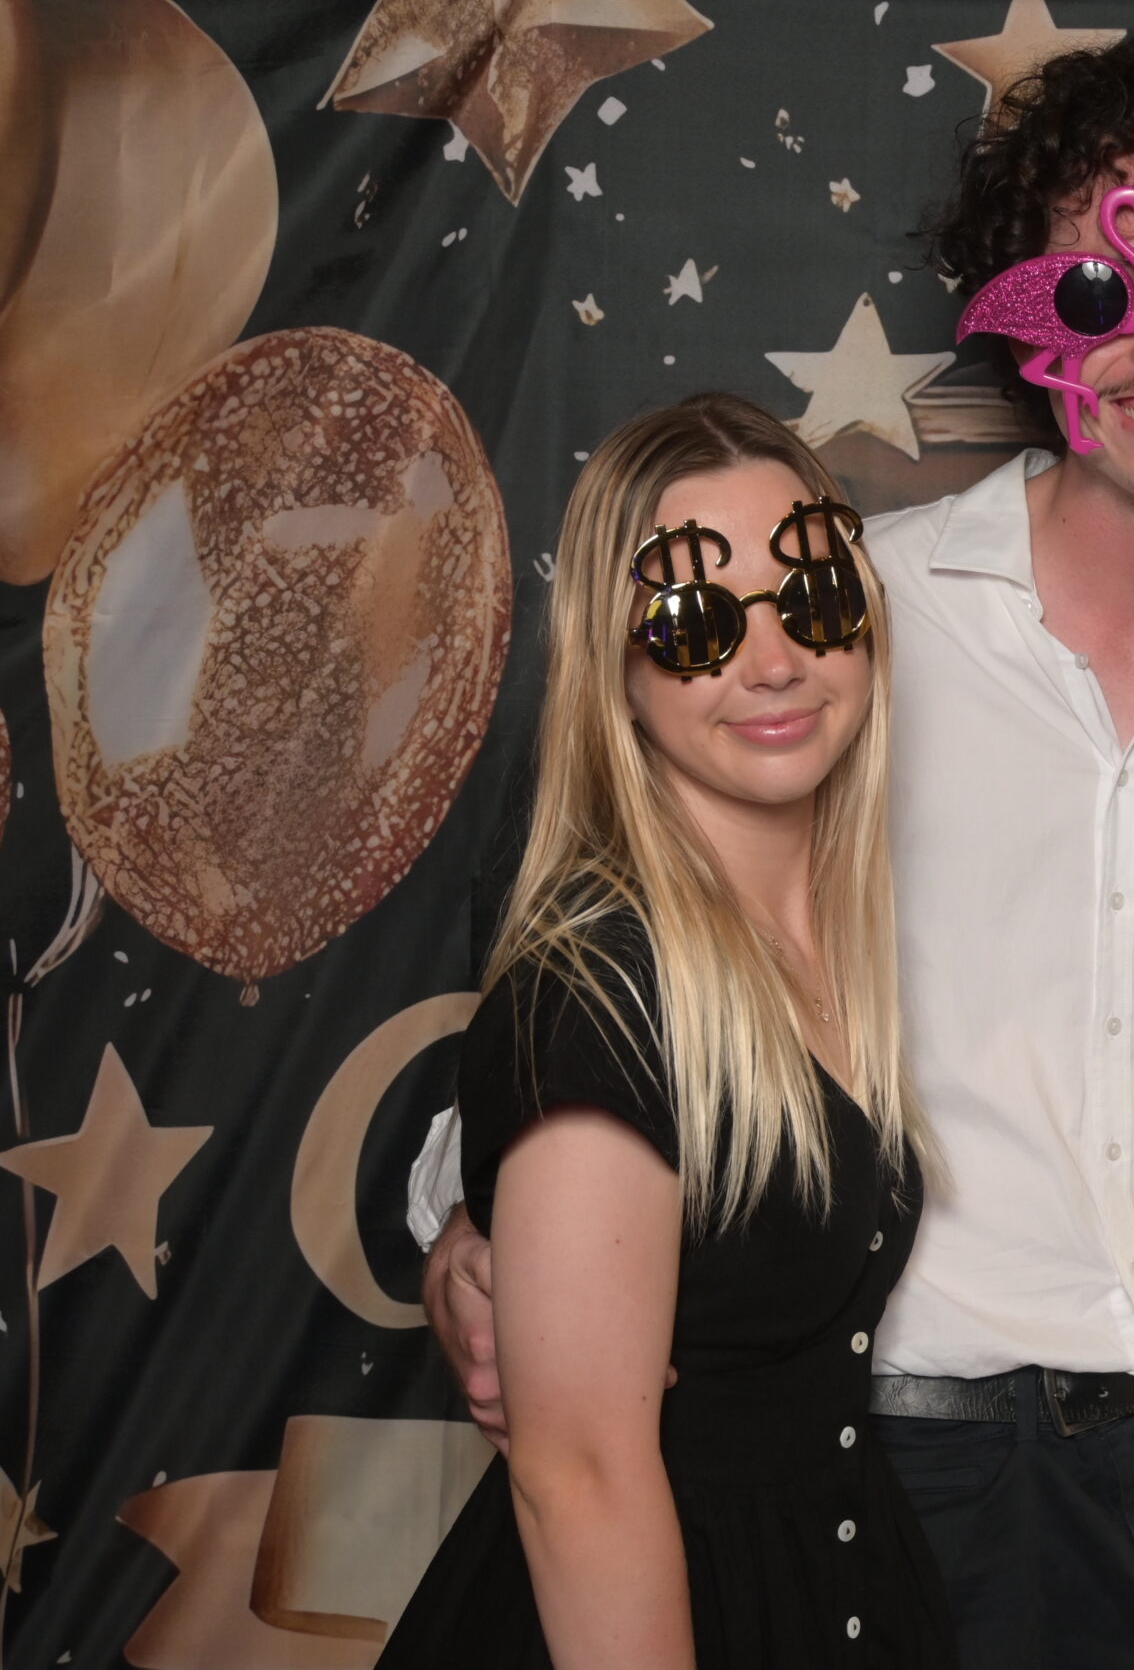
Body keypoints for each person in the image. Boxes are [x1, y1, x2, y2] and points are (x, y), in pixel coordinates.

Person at [409, 24, 1134, 1670]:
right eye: (1098, 291)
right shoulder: (835, 623)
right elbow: (603, 946)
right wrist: (467, 1222)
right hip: (918, 1460)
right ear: (1025, 322)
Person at [378, 393, 954, 1667]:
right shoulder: (592, 993)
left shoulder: (831, 944)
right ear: (619, 671)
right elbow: (576, 1476)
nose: (774, 661)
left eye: (811, 602)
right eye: (696, 623)